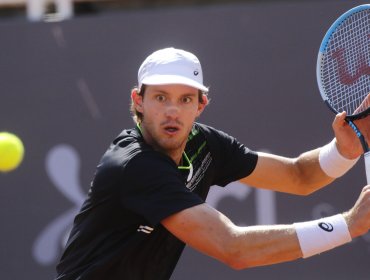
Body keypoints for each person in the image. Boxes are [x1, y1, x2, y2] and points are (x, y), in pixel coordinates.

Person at [55, 47, 370, 280]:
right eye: (161, 97)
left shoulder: (203, 144)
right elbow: (235, 249)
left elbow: (299, 176)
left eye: (185, 99)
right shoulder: (136, 166)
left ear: (201, 105)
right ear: (139, 101)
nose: (172, 112)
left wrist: (345, 149)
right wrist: (350, 224)